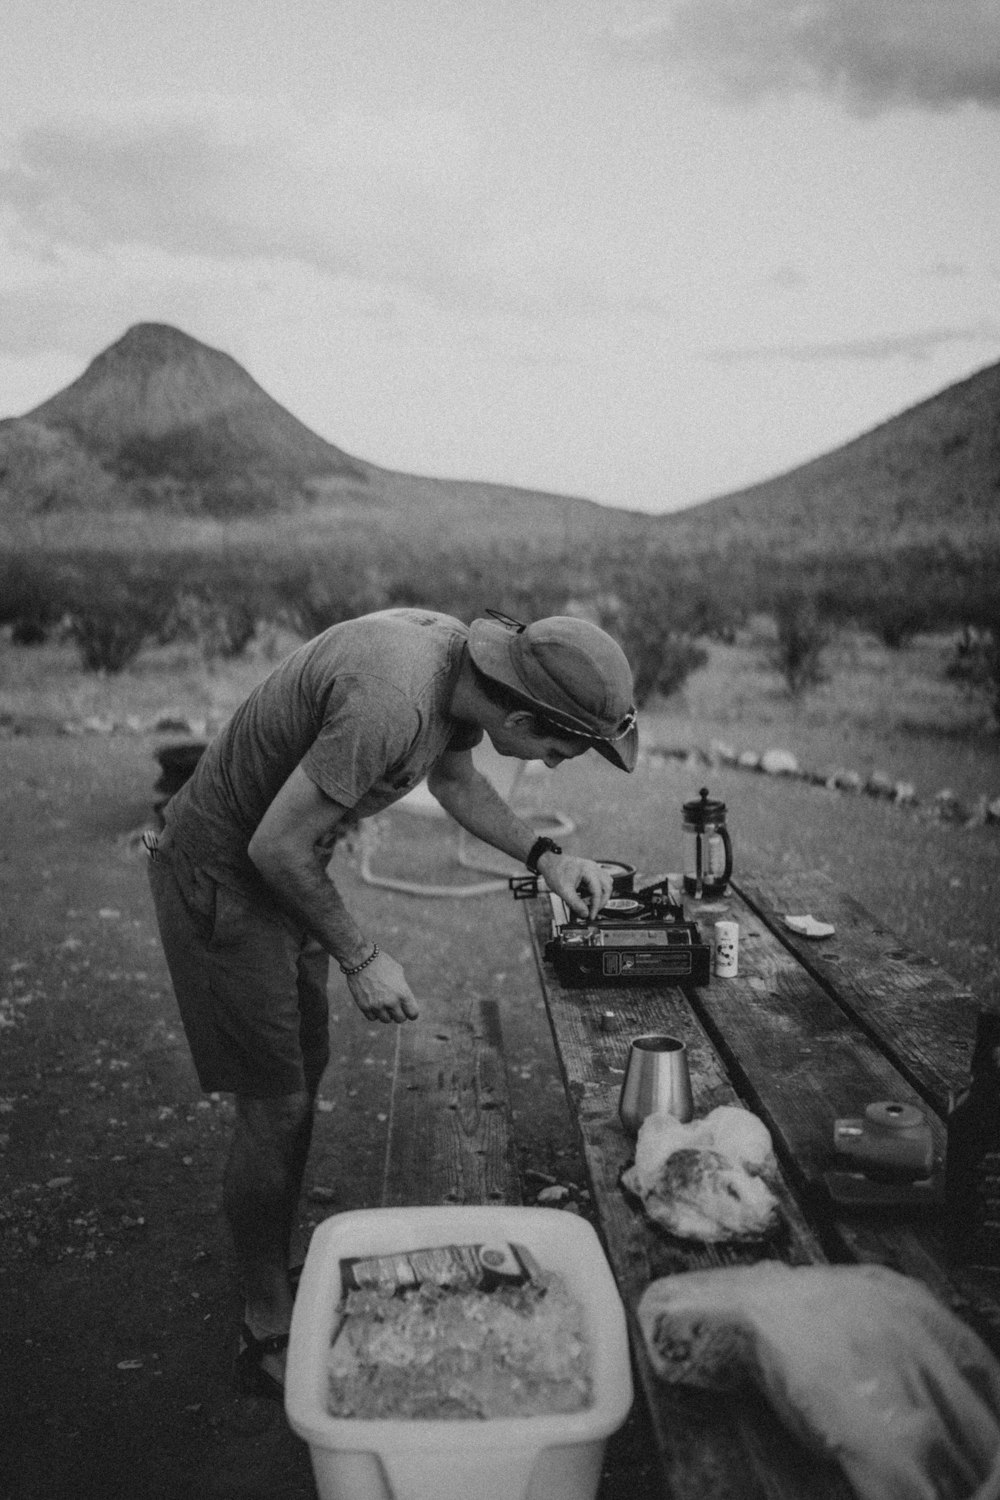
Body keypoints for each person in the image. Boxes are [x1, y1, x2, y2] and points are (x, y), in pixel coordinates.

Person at [145, 606, 638, 1399]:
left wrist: (546, 855)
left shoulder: (461, 679)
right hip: (223, 878)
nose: (548, 766)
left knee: (300, 1080)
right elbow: (272, 846)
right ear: (517, 713)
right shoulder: (395, 700)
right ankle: (265, 1321)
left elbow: (455, 779)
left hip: (286, 866)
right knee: (273, 1106)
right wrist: (363, 957)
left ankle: (275, 1260)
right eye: (555, 749)